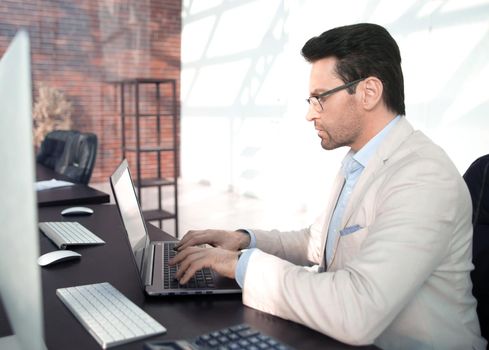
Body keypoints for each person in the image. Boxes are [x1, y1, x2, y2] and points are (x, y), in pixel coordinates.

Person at [170, 23, 486, 349]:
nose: (310, 114)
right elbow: (317, 242)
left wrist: (240, 265)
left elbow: (356, 312)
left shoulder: (424, 178)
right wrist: (242, 240)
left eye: (319, 98)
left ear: (369, 92)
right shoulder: (360, 161)